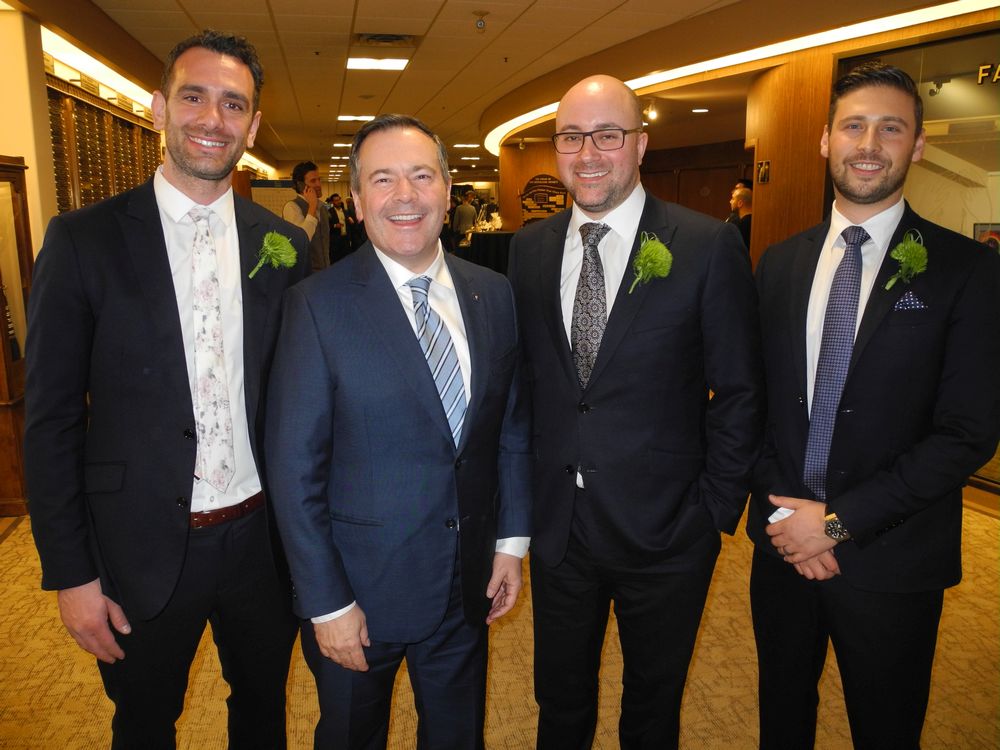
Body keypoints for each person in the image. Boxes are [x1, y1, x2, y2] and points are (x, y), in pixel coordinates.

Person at [23, 30, 308, 748]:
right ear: (157, 108)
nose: (213, 118)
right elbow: (51, 420)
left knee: (263, 711)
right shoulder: (83, 240)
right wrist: (71, 574)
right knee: (145, 722)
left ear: (251, 125)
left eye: (233, 104)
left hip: (260, 543)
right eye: (194, 97)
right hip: (138, 543)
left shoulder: (285, 249)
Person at [748, 61, 1000, 750]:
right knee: (782, 721)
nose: (869, 144)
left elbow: (967, 431)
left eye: (891, 129)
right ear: (825, 139)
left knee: (886, 729)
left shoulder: (967, 270)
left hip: (891, 559)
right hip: (782, 549)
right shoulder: (778, 263)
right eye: (853, 126)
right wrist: (787, 520)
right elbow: (753, 405)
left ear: (916, 145)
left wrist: (833, 526)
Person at [507, 74, 762, 749]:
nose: (587, 153)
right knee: (559, 702)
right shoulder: (529, 251)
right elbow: (530, 386)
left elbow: (739, 389)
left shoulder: (706, 246)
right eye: (570, 137)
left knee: (651, 708)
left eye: (607, 135)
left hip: (668, 531)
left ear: (641, 144)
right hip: (560, 529)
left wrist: (712, 511)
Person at [265, 114, 532, 749]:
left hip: (465, 585)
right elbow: (293, 468)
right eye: (382, 179)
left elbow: (512, 428)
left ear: (447, 188)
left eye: (421, 175)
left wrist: (511, 544)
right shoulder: (316, 306)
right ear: (356, 202)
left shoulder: (494, 295)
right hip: (358, 597)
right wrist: (326, 603)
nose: (405, 196)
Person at [284, 160, 330, 272]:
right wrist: (312, 206)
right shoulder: (292, 207)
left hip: (324, 271)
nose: (319, 184)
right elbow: (302, 240)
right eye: (313, 181)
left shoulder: (322, 207)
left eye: (319, 180)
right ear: (300, 185)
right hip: (305, 275)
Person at [327, 192, 352, 263]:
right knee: (336, 260)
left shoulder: (345, 211)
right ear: (332, 202)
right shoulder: (329, 212)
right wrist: (335, 225)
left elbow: (348, 224)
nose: (338, 202)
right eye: (336, 200)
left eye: (339, 200)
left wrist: (349, 220)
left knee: (346, 259)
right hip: (336, 240)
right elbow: (326, 225)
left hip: (345, 239)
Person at [729, 185, 753, 250]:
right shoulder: (754, 220)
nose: (730, 201)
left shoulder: (741, 224)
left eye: (733, 198)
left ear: (740, 203)